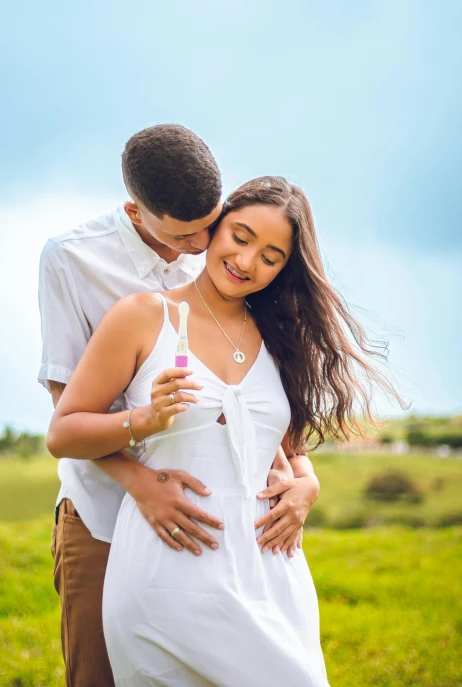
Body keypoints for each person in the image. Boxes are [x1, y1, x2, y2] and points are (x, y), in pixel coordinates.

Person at [48, 176, 399, 686]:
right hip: (167, 567)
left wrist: (308, 481)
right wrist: (143, 420)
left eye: (272, 255)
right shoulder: (144, 315)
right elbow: (64, 432)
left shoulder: (281, 336)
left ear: (285, 268)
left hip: (268, 572)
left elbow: (285, 443)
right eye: (241, 236)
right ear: (214, 227)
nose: (248, 261)